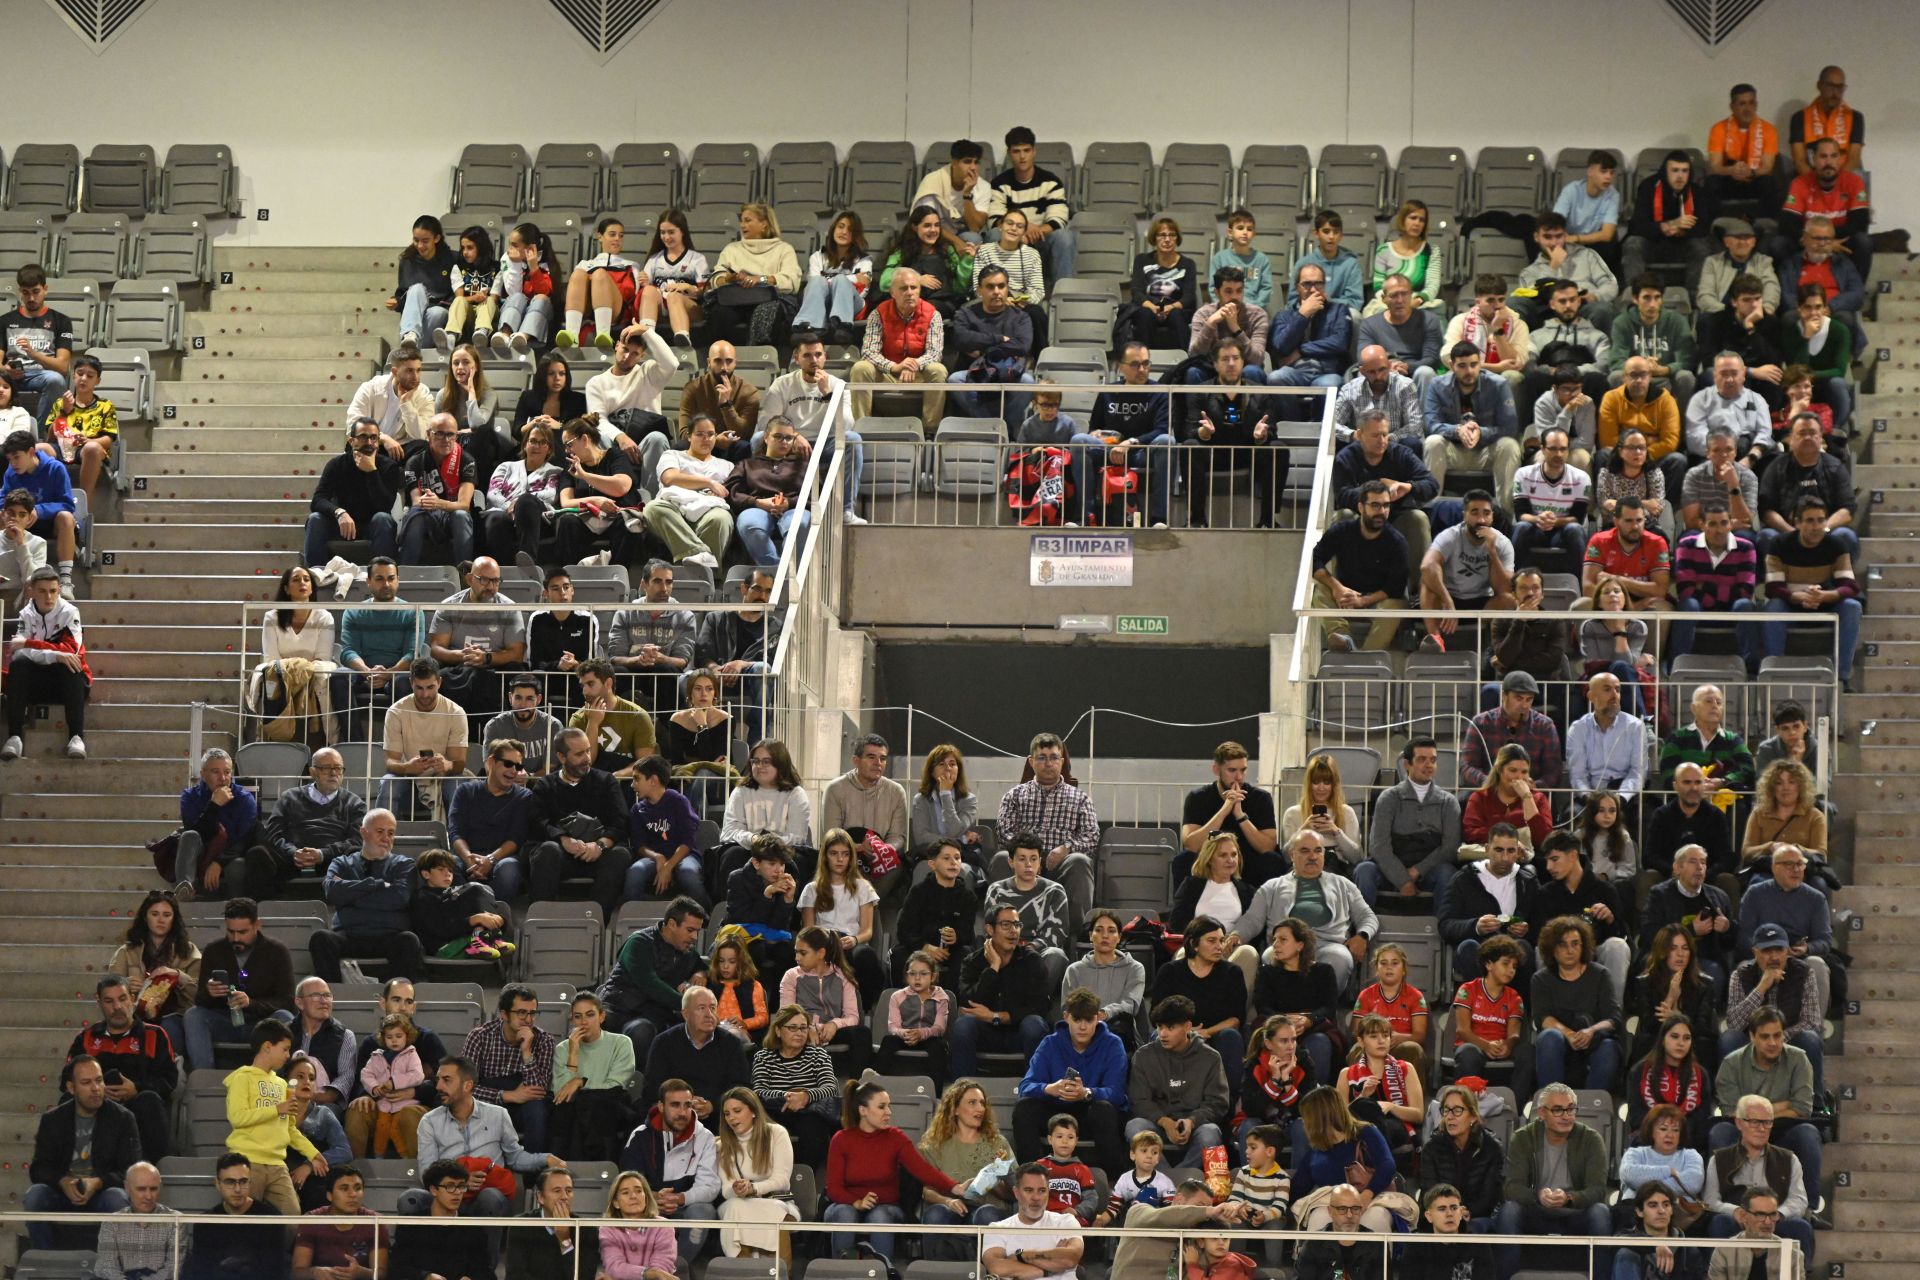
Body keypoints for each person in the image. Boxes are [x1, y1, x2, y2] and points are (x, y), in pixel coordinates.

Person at [824, 1079, 964, 1261]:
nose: (888, 1112)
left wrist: (954, 1187)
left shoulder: (895, 1137)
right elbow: (834, 1188)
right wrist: (857, 1202)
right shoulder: (841, 1139)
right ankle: (842, 1271)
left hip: (887, 1206)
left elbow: (922, 1169)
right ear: (863, 1110)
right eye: (882, 1107)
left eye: (889, 1107)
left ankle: (884, 1271)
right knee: (845, 1213)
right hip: (845, 1204)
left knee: (879, 1216)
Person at [407, 1054, 560, 1218]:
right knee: (410, 1199)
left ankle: (491, 1244)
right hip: (446, 1193)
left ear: (467, 1086)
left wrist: (545, 1159)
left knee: (490, 1198)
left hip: (486, 1195)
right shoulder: (429, 1121)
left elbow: (515, 1157)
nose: (438, 1086)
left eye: (446, 1080)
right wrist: (460, 1180)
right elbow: (427, 1171)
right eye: (438, 1080)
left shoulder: (498, 1115)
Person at [1493, 1082, 1612, 1265]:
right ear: (1541, 1113)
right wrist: (1537, 1196)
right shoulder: (1523, 1138)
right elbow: (1511, 1188)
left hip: (1575, 1212)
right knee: (1509, 1210)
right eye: (1557, 1110)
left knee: (1600, 1212)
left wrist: (1570, 1197)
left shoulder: (1591, 1139)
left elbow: (1598, 1190)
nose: (1566, 1116)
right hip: (1536, 1211)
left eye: (1570, 1109)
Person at [1012, 986, 1129, 1172]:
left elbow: (1117, 1093)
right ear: (1066, 1017)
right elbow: (1026, 1086)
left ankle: (1113, 1181)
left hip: (1091, 1113)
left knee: (1104, 1110)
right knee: (1024, 1108)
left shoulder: (1112, 1044)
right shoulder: (1050, 1043)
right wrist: (1050, 1089)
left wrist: (1087, 1093)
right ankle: (1031, 1175)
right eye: (1077, 1019)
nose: (1083, 1027)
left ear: (1098, 1017)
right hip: (1055, 1112)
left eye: (1089, 1020)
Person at [26, 1055, 137, 1248]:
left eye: (99, 1080)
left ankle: (112, 1264)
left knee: (117, 1199)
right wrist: (62, 1181)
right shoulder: (53, 1120)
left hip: (101, 1192)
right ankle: (45, 1260)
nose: (95, 1088)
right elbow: (38, 1169)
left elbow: (131, 1171)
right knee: (35, 1195)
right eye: (86, 1082)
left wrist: (99, 1182)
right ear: (71, 1088)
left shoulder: (123, 1119)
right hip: (62, 1193)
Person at [1711, 1010, 1822, 1198]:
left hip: (1784, 1131)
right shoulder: (1732, 1063)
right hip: (1744, 1134)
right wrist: (1784, 1105)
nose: (1772, 1043)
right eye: (1765, 1037)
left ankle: (1810, 1208)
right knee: (1720, 1131)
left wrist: (1753, 1112)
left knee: (1808, 1133)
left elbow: (1802, 1109)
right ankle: (1726, 1203)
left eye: (1777, 1035)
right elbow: (1733, 1113)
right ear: (1752, 1037)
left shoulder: (1798, 1059)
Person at [760, 331, 867, 525]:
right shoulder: (782, 384)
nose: (814, 360)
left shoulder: (837, 385)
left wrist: (827, 394)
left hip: (825, 443)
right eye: (807, 355)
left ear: (825, 357)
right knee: (757, 438)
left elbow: (847, 424)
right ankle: (764, 501)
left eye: (818, 354)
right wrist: (794, 436)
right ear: (797, 358)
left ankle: (846, 511)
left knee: (853, 439)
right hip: (791, 442)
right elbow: (768, 423)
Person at [527, 726, 635, 915]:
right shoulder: (545, 785)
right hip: (563, 853)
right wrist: (563, 839)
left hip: (599, 852)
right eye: (579, 754)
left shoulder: (606, 781)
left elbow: (620, 821)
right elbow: (538, 821)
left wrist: (600, 845)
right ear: (562, 757)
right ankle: (542, 919)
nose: (587, 758)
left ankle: (596, 920)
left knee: (620, 855)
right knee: (547, 851)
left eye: (587, 751)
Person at [183, 897, 297, 1072]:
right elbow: (200, 1001)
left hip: (262, 1024)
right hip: (226, 1021)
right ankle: (203, 1077)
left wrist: (251, 1003)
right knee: (193, 1015)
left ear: (257, 925)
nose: (236, 938)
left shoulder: (277, 952)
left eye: (243, 932)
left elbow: (288, 1001)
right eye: (231, 931)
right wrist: (209, 992)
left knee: (284, 1018)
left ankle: (276, 1083)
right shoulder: (214, 950)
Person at [1183, 339, 1288, 526]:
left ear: (1243, 362)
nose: (1231, 363)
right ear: (1215, 364)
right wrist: (1203, 433)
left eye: (1235, 358)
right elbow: (1189, 429)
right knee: (1190, 447)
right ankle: (1196, 519)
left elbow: (1272, 430)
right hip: (1213, 453)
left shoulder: (1260, 392)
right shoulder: (1200, 391)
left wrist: (1261, 436)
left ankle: (1267, 520)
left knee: (1278, 449)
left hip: (1248, 453)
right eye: (1225, 359)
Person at [312, 808, 423, 984]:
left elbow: (399, 897)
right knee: (321, 938)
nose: (386, 838)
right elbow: (332, 892)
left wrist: (350, 896)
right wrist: (376, 885)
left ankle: (396, 1002)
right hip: (349, 934)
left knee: (409, 940)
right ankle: (333, 999)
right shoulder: (341, 863)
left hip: (389, 936)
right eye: (380, 832)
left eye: (391, 833)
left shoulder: (404, 864)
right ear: (363, 832)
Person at [620, 1075, 723, 1265]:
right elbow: (626, 1183)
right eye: (675, 1105)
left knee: (703, 1211)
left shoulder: (705, 1137)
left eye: (687, 1105)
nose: (683, 1112)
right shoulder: (640, 1136)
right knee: (628, 1206)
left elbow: (710, 1186)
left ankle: (673, 1269)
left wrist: (680, 1198)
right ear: (661, 1106)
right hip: (649, 1206)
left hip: (685, 1206)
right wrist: (652, 1199)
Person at [1762, 494, 1861, 686]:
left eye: (1821, 520)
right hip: (1790, 603)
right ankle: (1773, 673)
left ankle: (1841, 677)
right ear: (1797, 523)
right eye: (1809, 521)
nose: (1816, 527)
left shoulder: (1836, 544)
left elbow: (1850, 586)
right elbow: (1773, 588)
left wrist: (1825, 596)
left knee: (1852, 607)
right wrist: (1797, 597)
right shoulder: (1780, 544)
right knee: (1773, 607)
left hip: (1823, 602)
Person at [1071, 342, 1174, 527]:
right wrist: (1097, 434)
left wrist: (1131, 442)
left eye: (1146, 363)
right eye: (1135, 364)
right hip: (1110, 450)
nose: (1142, 369)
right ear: (1121, 367)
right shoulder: (1109, 392)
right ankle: (1085, 517)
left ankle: (1159, 519)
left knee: (1167, 441)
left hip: (1141, 452)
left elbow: (1161, 429)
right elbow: (1095, 426)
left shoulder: (1160, 392)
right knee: (1079, 441)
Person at [222, 1021, 318, 1217]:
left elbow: (290, 1129)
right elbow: (237, 1118)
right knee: (245, 1218)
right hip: (248, 1161)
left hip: (278, 1164)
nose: (287, 1055)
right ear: (267, 1046)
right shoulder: (242, 1078)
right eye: (284, 1049)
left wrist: (313, 1154)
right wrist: (276, 1109)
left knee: (292, 1214)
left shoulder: (283, 1084)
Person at [1331, 414, 1435, 588]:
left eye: (1385, 435)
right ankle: (1344, 588)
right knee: (1344, 516)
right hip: (1362, 519)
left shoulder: (1401, 453)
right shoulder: (1346, 457)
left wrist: (1408, 487)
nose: (1382, 440)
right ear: (1359, 434)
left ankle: (1420, 591)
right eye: (1375, 435)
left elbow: (1431, 484)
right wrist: (1377, 490)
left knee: (1418, 518)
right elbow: (1342, 496)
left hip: (1396, 519)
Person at [1723, 923, 1825, 1097]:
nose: (1774, 957)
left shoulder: (1804, 973)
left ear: (1787, 951)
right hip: (1752, 1042)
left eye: (1779, 950)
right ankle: (1729, 1103)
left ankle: (1815, 1105)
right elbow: (1734, 1023)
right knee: (1729, 1039)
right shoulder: (1740, 975)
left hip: (1789, 1040)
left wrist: (1775, 1039)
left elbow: (1811, 1022)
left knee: (1811, 1039)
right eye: (1766, 951)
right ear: (1755, 952)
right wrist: (1761, 988)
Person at [1125, 995, 1229, 1165]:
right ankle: (1165, 1178)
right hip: (1157, 1124)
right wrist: (1165, 1122)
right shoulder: (1143, 1056)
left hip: (1195, 1126)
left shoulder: (1210, 1057)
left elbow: (1217, 1103)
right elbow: (1139, 1100)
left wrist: (1192, 1121)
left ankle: (1180, 1178)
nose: (1163, 1034)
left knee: (1210, 1133)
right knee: (1135, 1127)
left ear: (1187, 1027)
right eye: (1159, 1027)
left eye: (1171, 1027)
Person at [1, 565, 89, 759]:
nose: (48, 597)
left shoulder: (70, 612)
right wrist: (54, 655)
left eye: (53, 591)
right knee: (19, 665)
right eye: (42, 591)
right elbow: (18, 652)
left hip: (67, 685)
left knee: (71, 664)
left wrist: (30, 644)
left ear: (59, 591)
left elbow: (71, 650)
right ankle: (14, 737)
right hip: (36, 684)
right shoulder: (26, 613)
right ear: (31, 591)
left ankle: (76, 737)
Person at [1364, 736, 1463, 905]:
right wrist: (1402, 880)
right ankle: (1362, 928)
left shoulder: (1448, 801)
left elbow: (1450, 848)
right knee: (1364, 871)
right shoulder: (1388, 798)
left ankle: (1446, 929)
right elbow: (1379, 846)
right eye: (1422, 760)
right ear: (1407, 764)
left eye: (1433, 760)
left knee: (1447, 873)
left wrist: (1417, 871)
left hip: (1431, 869)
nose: (1429, 765)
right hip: (1392, 867)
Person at [460, 984, 558, 1154]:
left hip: (523, 1106)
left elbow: (538, 1090)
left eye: (532, 1013)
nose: (528, 1019)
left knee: (537, 1108)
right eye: (521, 1013)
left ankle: (533, 1173)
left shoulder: (543, 1040)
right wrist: (507, 1096)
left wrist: (526, 1051)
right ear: (504, 1014)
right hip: (486, 1103)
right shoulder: (480, 1036)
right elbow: (464, 1087)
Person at [106, 889, 200, 1064]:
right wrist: (124, 986)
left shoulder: (187, 951)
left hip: (174, 1014)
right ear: (145, 917)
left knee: (169, 1030)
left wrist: (178, 976)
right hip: (134, 1015)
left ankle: (171, 1073)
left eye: (167, 914)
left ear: (174, 919)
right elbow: (108, 989)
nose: (161, 920)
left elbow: (199, 995)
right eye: (155, 914)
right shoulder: (127, 951)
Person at [1531, 916, 1625, 1092]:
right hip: (1561, 1041)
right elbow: (1542, 1018)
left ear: (1584, 946)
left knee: (1609, 1047)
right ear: (1552, 948)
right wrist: (1568, 1034)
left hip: (1594, 1039)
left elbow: (1613, 1017)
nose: (1570, 950)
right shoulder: (1541, 979)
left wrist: (1591, 1031)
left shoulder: (1600, 974)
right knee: (1549, 1037)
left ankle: (1592, 1109)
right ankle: (1553, 1104)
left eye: (1575, 944)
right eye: (1563, 945)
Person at [1424, 345, 1522, 510]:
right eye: (1462, 366)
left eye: (1474, 364)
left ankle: (1508, 515)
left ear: (1480, 363)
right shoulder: (1437, 385)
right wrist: (1457, 430)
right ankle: (1431, 512)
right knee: (1432, 442)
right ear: (1451, 365)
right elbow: (1430, 423)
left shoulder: (1498, 385)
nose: (1469, 370)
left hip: (1486, 451)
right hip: (1454, 451)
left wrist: (1481, 432)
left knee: (1510, 445)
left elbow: (1510, 427)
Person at [1418, 489, 1516, 653]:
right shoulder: (1450, 536)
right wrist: (1448, 602)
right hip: (1447, 597)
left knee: (1509, 600)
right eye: (1475, 513)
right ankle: (1434, 641)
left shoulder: (1502, 543)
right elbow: (1427, 567)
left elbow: (1504, 589)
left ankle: (1493, 648)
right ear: (1464, 515)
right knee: (1426, 584)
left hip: (1481, 600)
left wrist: (1492, 552)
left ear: (1492, 516)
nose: (1481, 519)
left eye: (1486, 513)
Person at [1290, 1088, 1396, 1232]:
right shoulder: (1315, 1152)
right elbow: (1297, 1188)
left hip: (1372, 1200)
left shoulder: (1366, 1133)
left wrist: (1366, 1196)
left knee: (1375, 1218)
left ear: (1320, 1117)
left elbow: (1387, 1165)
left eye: (1306, 1116)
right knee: (1318, 1218)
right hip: (1333, 1207)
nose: (1303, 1122)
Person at [850, 267, 947, 424]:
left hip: (918, 374)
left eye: (914, 287)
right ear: (892, 293)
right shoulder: (879, 313)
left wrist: (913, 364)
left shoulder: (932, 314)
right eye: (903, 288)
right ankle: (862, 427)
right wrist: (895, 367)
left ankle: (930, 431)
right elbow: (868, 352)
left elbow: (935, 353)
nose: (909, 292)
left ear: (919, 290)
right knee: (861, 368)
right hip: (887, 373)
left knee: (938, 369)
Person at [1758, 412, 1858, 563]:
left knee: (1846, 536)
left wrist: (1822, 529)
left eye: (1812, 433)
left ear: (1821, 438)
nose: (1807, 437)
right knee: (1766, 536)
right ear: (1791, 439)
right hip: (1787, 532)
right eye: (1802, 433)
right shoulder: (1776, 466)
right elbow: (1766, 510)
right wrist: (1791, 532)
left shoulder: (1835, 467)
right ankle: (1777, 583)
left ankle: (1840, 583)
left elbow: (1847, 509)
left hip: (1826, 531)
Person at [1250, 915, 1339, 1082]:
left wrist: (1308, 1021)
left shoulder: (1323, 971)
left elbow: (1329, 1007)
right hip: (1276, 1026)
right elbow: (1263, 1006)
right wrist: (1284, 1022)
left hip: (1312, 1027)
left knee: (1320, 1043)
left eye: (1282, 940)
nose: (1275, 945)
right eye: (1274, 940)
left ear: (1300, 945)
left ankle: (1315, 1099)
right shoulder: (1267, 972)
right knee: (1264, 1034)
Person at [754, 1002, 843, 1168]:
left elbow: (831, 1087)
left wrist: (805, 1096)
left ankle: (804, 1179)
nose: (799, 1033)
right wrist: (787, 1096)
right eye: (793, 1028)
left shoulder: (818, 1054)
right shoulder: (764, 1057)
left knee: (814, 1129)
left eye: (803, 1028)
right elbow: (759, 1091)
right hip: (776, 1111)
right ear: (778, 1031)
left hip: (809, 1112)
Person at [551, 991, 638, 1161]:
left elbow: (614, 1086)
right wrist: (573, 1053)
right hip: (574, 1111)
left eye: (590, 1015)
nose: (583, 1022)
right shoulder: (563, 1049)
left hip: (609, 1106)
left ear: (601, 1016)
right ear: (572, 1021)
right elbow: (560, 1094)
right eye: (578, 1017)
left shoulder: (621, 1043)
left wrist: (580, 1082)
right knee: (567, 1111)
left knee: (597, 1107)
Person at [1111, 1179, 1252, 1280]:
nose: (1203, 1213)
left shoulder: (1194, 1240)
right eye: (1200, 1205)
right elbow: (1161, 1216)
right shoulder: (1138, 1211)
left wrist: (1227, 1215)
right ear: (1179, 1199)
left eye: (1206, 1207)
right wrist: (1209, 1211)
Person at [715, 1086, 797, 1258]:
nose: (732, 1118)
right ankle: (742, 1270)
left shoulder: (776, 1133)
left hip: (774, 1200)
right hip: (740, 1203)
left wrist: (753, 1188)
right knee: (734, 1208)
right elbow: (726, 1190)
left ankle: (778, 1272)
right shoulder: (722, 1146)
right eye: (727, 1113)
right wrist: (736, 1189)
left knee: (772, 1210)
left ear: (753, 1111)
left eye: (737, 1111)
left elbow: (782, 1180)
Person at [173, 746, 260, 902]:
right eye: (215, 772)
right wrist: (214, 805)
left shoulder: (245, 798)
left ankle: (236, 910)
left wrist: (219, 862)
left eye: (227, 772)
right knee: (189, 835)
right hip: (201, 852)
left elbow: (245, 839)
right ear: (203, 774)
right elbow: (197, 832)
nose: (222, 778)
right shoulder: (189, 796)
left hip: (231, 855)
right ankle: (185, 889)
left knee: (238, 866)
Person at [182, 1152, 288, 1280]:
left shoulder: (271, 1218)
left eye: (243, 1181)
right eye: (230, 1182)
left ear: (250, 1182)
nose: (237, 1189)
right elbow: (201, 1271)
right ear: (217, 1183)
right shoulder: (205, 1223)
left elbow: (275, 1272)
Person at [990, 127, 1077, 282]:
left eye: (1026, 150)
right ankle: (1000, 292)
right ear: (1010, 154)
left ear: (1034, 152)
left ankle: (1063, 294)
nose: (1022, 156)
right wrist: (1022, 228)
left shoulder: (1051, 182)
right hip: (1011, 238)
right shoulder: (1000, 184)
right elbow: (996, 219)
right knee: (994, 235)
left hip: (1042, 240)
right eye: (1016, 151)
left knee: (1064, 237)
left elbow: (1058, 220)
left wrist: (1034, 232)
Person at [1265, 262, 1350, 419]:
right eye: (1307, 284)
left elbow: (1340, 343)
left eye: (1318, 283)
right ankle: (1292, 428)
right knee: (1276, 378)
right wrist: (1302, 315)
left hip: (1326, 371)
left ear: (1324, 285)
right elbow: (1281, 347)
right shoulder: (1284, 315)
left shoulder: (1338, 310)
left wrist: (1301, 350)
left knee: (1329, 384)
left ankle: (1320, 435)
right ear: (1297, 287)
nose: (1313, 289)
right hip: (1295, 371)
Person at [893, 838, 979, 991]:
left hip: (951, 952)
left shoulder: (968, 897)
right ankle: (904, 1004)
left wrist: (956, 936)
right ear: (932, 864)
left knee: (966, 955)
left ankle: (953, 1006)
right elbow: (904, 930)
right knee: (899, 955)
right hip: (920, 948)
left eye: (957, 858)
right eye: (946, 858)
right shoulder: (918, 892)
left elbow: (967, 934)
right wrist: (924, 947)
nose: (953, 862)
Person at [388, 1159, 496, 1280]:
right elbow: (397, 1269)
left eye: (461, 1186)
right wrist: (425, 1277)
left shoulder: (473, 1228)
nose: (457, 1192)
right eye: (450, 1186)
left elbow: (486, 1272)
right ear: (434, 1190)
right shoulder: (411, 1225)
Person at [1624, 152, 1715, 290]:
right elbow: (1637, 226)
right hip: (1654, 243)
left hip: (1684, 243)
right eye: (1675, 170)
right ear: (1665, 172)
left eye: (1685, 171)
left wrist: (1683, 231)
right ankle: (1635, 295)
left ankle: (1694, 298)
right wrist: (1668, 226)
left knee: (1701, 247)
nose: (1680, 176)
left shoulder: (1696, 192)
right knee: (1633, 244)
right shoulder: (1648, 187)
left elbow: (1704, 226)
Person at [1420, 1086, 1506, 1232]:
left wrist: (1467, 1211)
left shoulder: (1491, 1148)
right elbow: (1429, 1191)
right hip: (1439, 1216)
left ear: (1472, 1116)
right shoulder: (1432, 1148)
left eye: (1457, 1110)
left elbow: (1490, 1196)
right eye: (1446, 1110)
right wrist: (1451, 1212)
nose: (1450, 1116)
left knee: (1472, 1228)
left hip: (1476, 1216)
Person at [1517, 212, 1621, 330]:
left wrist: (1595, 296)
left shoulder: (1587, 255)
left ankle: (1602, 347)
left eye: (1558, 236)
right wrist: (1553, 266)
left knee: (1602, 309)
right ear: (1536, 237)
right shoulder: (1528, 272)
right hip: (1549, 313)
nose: (1554, 243)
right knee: (1515, 305)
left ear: (1565, 235)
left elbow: (1611, 284)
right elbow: (1532, 300)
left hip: (1584, 307)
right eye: (1547, 237)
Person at [983, 1163, 1087, 1280]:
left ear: (1048, 1192)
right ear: (1016, 1193)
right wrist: (1050, 1268)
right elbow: (997, 1268)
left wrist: (1021, 1255)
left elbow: (1069, 1259)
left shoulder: (1065, 1221)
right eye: (1028, 1190)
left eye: (1042, 1191)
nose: (1036, 1198)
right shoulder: (997, 1229)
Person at [1780, 138, 1872, 270]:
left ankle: (1857, 289)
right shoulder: (1799, 183)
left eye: (1833, 156)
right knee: (1779, 244)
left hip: (1841, 239)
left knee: (1863, 241)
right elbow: (1787, 224)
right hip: (1809, 239)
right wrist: (1817, 241)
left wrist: (1827, 241)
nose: (1828, 162)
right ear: (1814, 159)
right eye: (1823, 156)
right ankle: (1787, 288)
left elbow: (1861, 223)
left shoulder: (1854, 182)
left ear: (1839, 159)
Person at [481, 421, 564, 564]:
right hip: (504, 513)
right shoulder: (506, 466)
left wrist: (519, 503)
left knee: (526, 501)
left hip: (537, 518)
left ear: (549, 449)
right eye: (532, 441)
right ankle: (502, 571)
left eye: (542, 442)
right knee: (496, 520)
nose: (536, 446)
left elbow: (550, 496)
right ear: (525, 445)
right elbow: (492, 493)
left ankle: (528, 562)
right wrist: (509, 507)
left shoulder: (554, 471)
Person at [556, 215, 643, 350]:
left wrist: (601, 281)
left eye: (621, 236)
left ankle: (604, 335)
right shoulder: (586, 264)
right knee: (578, 274)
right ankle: (572, 335)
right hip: (587, 309)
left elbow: (631, 293)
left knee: (599, 274)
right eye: (612, 234)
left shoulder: (631, 265)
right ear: (600, 236)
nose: (617, 239)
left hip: (616, 310)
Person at [1065, 909, 1148, 1051]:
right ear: (1091, 935)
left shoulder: (1135, 968)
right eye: (1099, 930)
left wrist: (1104, 1013)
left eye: (1111, 931)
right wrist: (1091, 1019)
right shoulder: (1074, 970)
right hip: (1083, 1029)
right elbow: (1067, 1008)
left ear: (1119, 937)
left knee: (1117, 1029)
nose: (1105, 935)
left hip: (1120, 1031)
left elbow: (1130, 1005)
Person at [4, 263, 75, 422]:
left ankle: (43, 435)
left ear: (45, 289)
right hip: (10, 377)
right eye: (25, 293)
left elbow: (63, 367)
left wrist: (33, 354)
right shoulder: (5, 321)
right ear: (19, 292)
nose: (31, 298)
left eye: (36, 292)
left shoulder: (61, 321)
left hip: (42, 375)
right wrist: (6, 369)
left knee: (56, 379)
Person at [273, 978, 356, 1114]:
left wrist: (319, 1096)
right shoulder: (285, 1032)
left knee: (324, 1115)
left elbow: (346, 1077)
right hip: (286, 1098)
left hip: (325, 1104)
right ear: (299, 1002)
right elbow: (275, 1070)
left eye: (327, 996)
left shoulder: (345, 1036)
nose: (323, 1001)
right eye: (316, 995)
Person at [1357, 276, 1447, 398]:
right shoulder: (1369, 324)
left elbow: (1432, 359)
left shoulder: (1429, 320)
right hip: (1382, 373)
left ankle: (1423, 417)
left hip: (1416, 371)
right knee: (1363, 374)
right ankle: (1371, 416)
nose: (1400, 300)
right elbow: (1364, 357)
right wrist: (1387, 367)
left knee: (1426, 373)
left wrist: (1406, 367)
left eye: (1404, 294)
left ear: (1411, 295)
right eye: (1394, 295)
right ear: (1384, 299)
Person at [504, 1166, 601, 1280]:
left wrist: (565, 1241)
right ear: (540, 1197)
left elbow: (584, 1277)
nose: (564, 1197)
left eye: (568, 1191)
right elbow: (515, 1275)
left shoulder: (587, 1229)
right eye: (557, 1191)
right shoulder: (521, 1225)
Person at [1659, 685, 1757, 794]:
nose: (1714, 705)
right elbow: (1668, 773)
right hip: (1684, 800)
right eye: (1708, 701)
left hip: (1725, 802)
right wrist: (1695, 785)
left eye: (1719, 702)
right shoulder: (1676, 739)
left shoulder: (1733, 740)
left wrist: (1723, 781)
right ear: (1694, 708)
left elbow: (1747, 769)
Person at [1124, 216, 1200, 350]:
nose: (1167, 239)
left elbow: (1189, 296)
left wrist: (1170, 308)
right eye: (1162, 235)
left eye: (1172, 235)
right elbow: (1136, 291)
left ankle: (1185, 360)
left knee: (1176, 315)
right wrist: (1152, 307)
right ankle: (1143, 359)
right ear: (1155, 238)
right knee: (1145, 314)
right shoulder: (1142, 260)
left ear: (1177, 238)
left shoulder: (1188, 264)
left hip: (1175, 308)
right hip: (1148, 306)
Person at [1741, 761, 1826, 879]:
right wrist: (1771, 847)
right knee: (1757, 883)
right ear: (1771, 787)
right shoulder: (1758, 814)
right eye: (1779, 783)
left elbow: (1820, 854)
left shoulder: (1815, 816)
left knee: (1819, 885)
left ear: (1801, 786)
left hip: (1804, 872)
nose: (1785, 788)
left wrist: (1794, 849)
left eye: (1792, 782)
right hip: (1768, 871)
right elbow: (1747, 852)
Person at [795, 210, 872, 341]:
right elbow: (814, 284)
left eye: (850, 230)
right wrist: (852, 278)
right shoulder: (817, 257)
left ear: (856, 235)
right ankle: (809, 327)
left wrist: (837, 282)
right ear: (833, 229)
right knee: (819, 282)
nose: (844, 232)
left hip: (853, 305)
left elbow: (863, 288)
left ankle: (843, 326)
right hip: (823, 303)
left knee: (839, 281)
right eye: (840, 227)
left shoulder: (864, 260)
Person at [1280, 753, 1364, 871]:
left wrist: (1337, 833)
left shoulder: (1346, 812)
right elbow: (1286, 858)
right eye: (1316, 782)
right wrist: (1303, 831)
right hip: (1302, 869)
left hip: (1337, 869)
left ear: (1333, 784)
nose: (1321, 788)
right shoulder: (1292, 813)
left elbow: (1357, 858)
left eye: (1326, 782)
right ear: (1309, 784)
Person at [638, 209, 712, 344]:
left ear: (682, 231)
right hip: (662, 307)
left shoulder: (697, 259)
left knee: (674, 296)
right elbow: (645, 290)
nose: (666, 237)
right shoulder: (654, 259)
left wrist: (689, 287)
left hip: (690, 307)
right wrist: (643, 282)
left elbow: (706, 293)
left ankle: (682, 336)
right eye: (663, 232)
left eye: (671, 232)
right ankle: (647, 336)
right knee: (648, 291)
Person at [1708, 83, 1784, 211]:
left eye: (1751, 103)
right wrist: (1732, 171)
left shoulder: (1769, 130)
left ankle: (1767, 226)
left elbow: (1767, 167)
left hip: (1755, 178)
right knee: (1711, 183)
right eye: (1742, 104)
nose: (1748, 109)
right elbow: (1715, 167)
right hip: (1730, 178)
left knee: (1770, 183)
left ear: (1756, 105)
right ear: (1732, 107)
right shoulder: (1718, 128)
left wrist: (1751, 172)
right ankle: (1713, 226)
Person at [1351, 944, 1429, 1068]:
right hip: (1372, 1045)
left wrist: (1399, 1038)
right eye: (1383, 963)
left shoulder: (1415, 996)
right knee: (1357, 1049)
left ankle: (1413, 1087)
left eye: (1394, 963)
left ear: (1403, 969)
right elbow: (1357, 1032)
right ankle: (1360, 1086)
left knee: (1413, 1048)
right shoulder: (1365, 995)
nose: (1389, 968)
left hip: (1401, 1046)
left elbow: (1420, 1035)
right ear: (1377, 969)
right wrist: (1376, 1040)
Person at [1443, 278, 1529, 390]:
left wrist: (1498, 329)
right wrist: (1496, 367)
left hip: (1501, 377)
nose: (1497, 305)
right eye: (1490, 300)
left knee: (1512, 375)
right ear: (1478, 302)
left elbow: (1515, 363)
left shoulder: (1518, 324)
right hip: (1467, 374)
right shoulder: (1460, 321)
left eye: (1501, 299)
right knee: (1449, 377)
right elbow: (1448, 357)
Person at [1705, 1187, 1805, 1280]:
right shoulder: (1724, 1252)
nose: (1768, 1222)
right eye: (1760, 1215)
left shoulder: (1792, 1254)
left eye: (1773, 1214)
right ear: (1743, 1216)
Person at [1335, 345, 1424, 447]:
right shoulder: (1350, 389)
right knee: (1336, 441)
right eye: (1372, 372)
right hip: (1362, 446)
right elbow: (1331, 424)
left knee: (1413, 443)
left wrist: (1387, 438)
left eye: (1382, 369)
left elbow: (1416, 426)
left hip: (1395, 446)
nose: (1378, 376)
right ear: (1362, 371)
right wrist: (1352, 435)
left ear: (1389, 365)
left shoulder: (1405, 386)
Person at [1187, 266, 1270, 374]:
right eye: (1228, 291)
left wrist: (1236, 329)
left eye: (1239, 291)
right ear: (1217, 292)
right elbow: (1193, 356)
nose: (1234, 296)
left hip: (1244, 368)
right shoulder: (1203, 314)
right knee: (1193, 371)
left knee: (1252, 371)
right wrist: (1210, 324)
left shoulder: (1258, 315)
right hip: (1212, 368)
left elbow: (1257, 359)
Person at [1697, 219, 1781, 318]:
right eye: (1737, 237)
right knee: (1704, 318)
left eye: (1747, 238)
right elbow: (1705, 296)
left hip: (1755, 313)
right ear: (1726, 241)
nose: (1742, 242)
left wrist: (1765, 309)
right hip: (1721, 315)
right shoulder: (1712, 262)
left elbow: (1771, 287)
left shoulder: (1764, 261)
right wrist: (1732, 313)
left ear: (1754, 242)